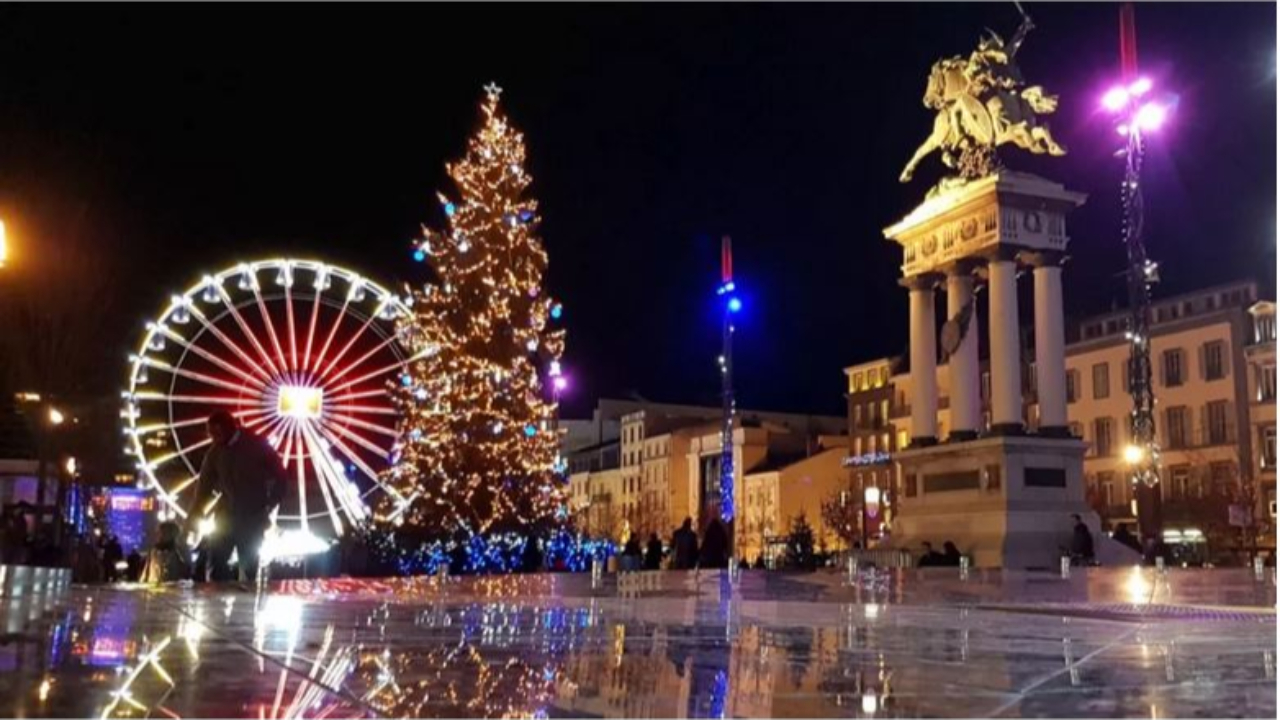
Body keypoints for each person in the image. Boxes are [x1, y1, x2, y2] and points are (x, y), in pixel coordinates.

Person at [190, 410, 288, 584]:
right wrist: (195, 514)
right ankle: (218, 602)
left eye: (216, 433)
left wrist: (269, 504)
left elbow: (280, 476)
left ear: (230, 428)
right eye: (211, 434)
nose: (213, 438)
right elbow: (203, 486)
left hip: (251, 516)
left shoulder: (257, 446)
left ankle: (242, 604)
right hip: (227, 515)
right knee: (217, 563)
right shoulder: (215, 452)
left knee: (248, 566)